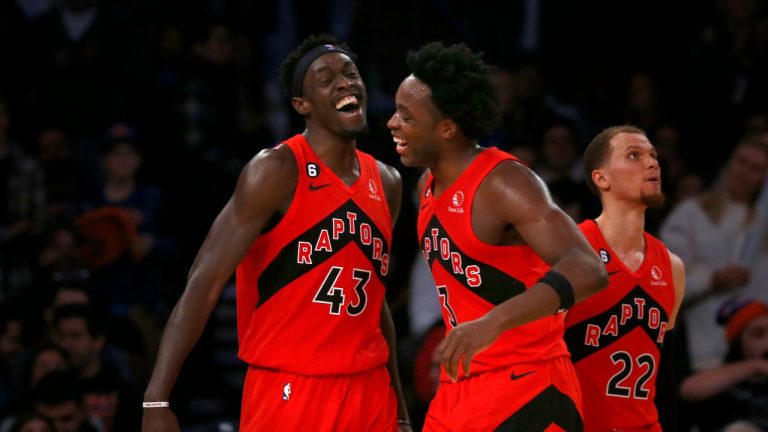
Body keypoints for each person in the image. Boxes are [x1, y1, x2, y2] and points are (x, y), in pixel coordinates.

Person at [142, 34, 411, 431]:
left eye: (351, 74)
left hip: (369, 391)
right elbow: (204, 281)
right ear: (302, 105)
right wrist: (156, 398)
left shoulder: (387, 182)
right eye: (326, 79)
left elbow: (376, 303)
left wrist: (401, 411)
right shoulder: (276, 170)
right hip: (290, 388)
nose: (344, 83)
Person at [387, 41, 608, 431]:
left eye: (405, 115)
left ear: (447, 128)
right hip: (460, 388)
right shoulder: (426, 187)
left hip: (529, 384)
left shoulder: (504, 182)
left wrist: (493, 322)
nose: (391, 123)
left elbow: (588, 268)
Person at [563, 125, 686, 431]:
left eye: (653, 156)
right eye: (634, 155)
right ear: (601, 178)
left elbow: (664, 377)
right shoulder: (570, 250)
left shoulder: (672, 267)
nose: (652, 163)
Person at [660, 137, 768, 371]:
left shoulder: (763, 227)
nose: (745, 172)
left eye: (756, 169)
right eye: (741, 162)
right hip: (704, 351)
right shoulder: (691, 213)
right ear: (730, 163)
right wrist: (713, 279)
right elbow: (665, 282)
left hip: (758, 353)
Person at [679, 298, 768, 432]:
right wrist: (756, 366)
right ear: (738, 342)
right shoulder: (720, 373)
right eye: (758, 334)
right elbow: (687, 390)